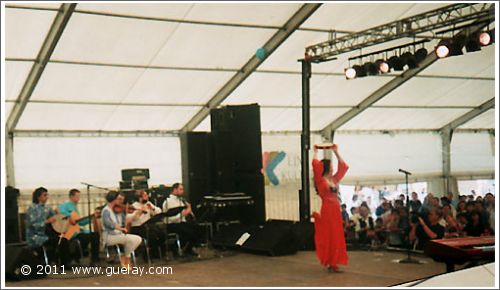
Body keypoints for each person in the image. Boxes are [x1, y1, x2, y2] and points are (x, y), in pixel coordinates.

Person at [311, 144, 349, 273]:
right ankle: (330, 262)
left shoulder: (334, 179)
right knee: (330, 235)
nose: (333, 168)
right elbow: (315, 165)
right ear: (326, 167)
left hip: (335, 209)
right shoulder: (320, 180)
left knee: (337, 236)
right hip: (327, 209)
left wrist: (336, 152)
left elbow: (344, 167)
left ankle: (334, 262)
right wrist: (315, 152)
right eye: (331, 166)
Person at [25, 187, 71, 265]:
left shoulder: (47, 207)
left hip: (45, 233)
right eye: (45, 195)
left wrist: (59, 215)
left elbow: (55, 218)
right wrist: (46, 222)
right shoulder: (32, 208)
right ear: (38, 197)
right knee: (54, 241)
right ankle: (50, 259)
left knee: (63, 240)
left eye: (47, 195)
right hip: (35, 236)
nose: (47, 197)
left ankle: (64, 263)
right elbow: (32, 225)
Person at [58, 189, 101, 265]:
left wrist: (91, 218)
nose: (79, 198)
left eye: (79, 196)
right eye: (77, 196)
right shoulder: (66, 205)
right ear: (71, 196)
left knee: (95, 235)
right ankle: (75, 256)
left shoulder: (75, 207)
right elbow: (58, 210)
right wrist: (69, 216)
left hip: (78, 231)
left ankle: (94, 259)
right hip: (70, 233)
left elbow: (79, 222)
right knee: (85, 238)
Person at [101, 191, 142, 268]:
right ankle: (126, 258)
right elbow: (108, 223)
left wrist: (134, 214)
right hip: (109, 236)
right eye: (118, 199)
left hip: (119, 235)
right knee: (131, 240)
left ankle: (126, 257)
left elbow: (125, 222)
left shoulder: (118, 210)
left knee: (137, 239)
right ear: (114, 199)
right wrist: (120, 228)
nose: (120, 201)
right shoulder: (105, 210)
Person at [162, 183, 203, 257]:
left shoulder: (181, 200)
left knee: (198, 229)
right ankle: (175, 248)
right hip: (172, 224)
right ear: (175, 190)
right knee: (188, 231)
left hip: (181, 223)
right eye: (180, 189)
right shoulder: (169, 201)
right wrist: (183, 214)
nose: (182, 191)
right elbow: (170, 218)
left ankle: (188, 249)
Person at [128, 189, 165, 258]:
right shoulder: (133, 206)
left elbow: (159, 212)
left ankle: (156, 253)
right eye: (145, 195)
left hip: (148, 226)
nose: (147, 196)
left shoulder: (148, 203)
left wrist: (152, 208)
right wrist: (141, 211)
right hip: (137, 228)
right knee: (152, 236)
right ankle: (147, 254)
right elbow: (133, 219)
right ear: (139, 197)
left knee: (162, 234)